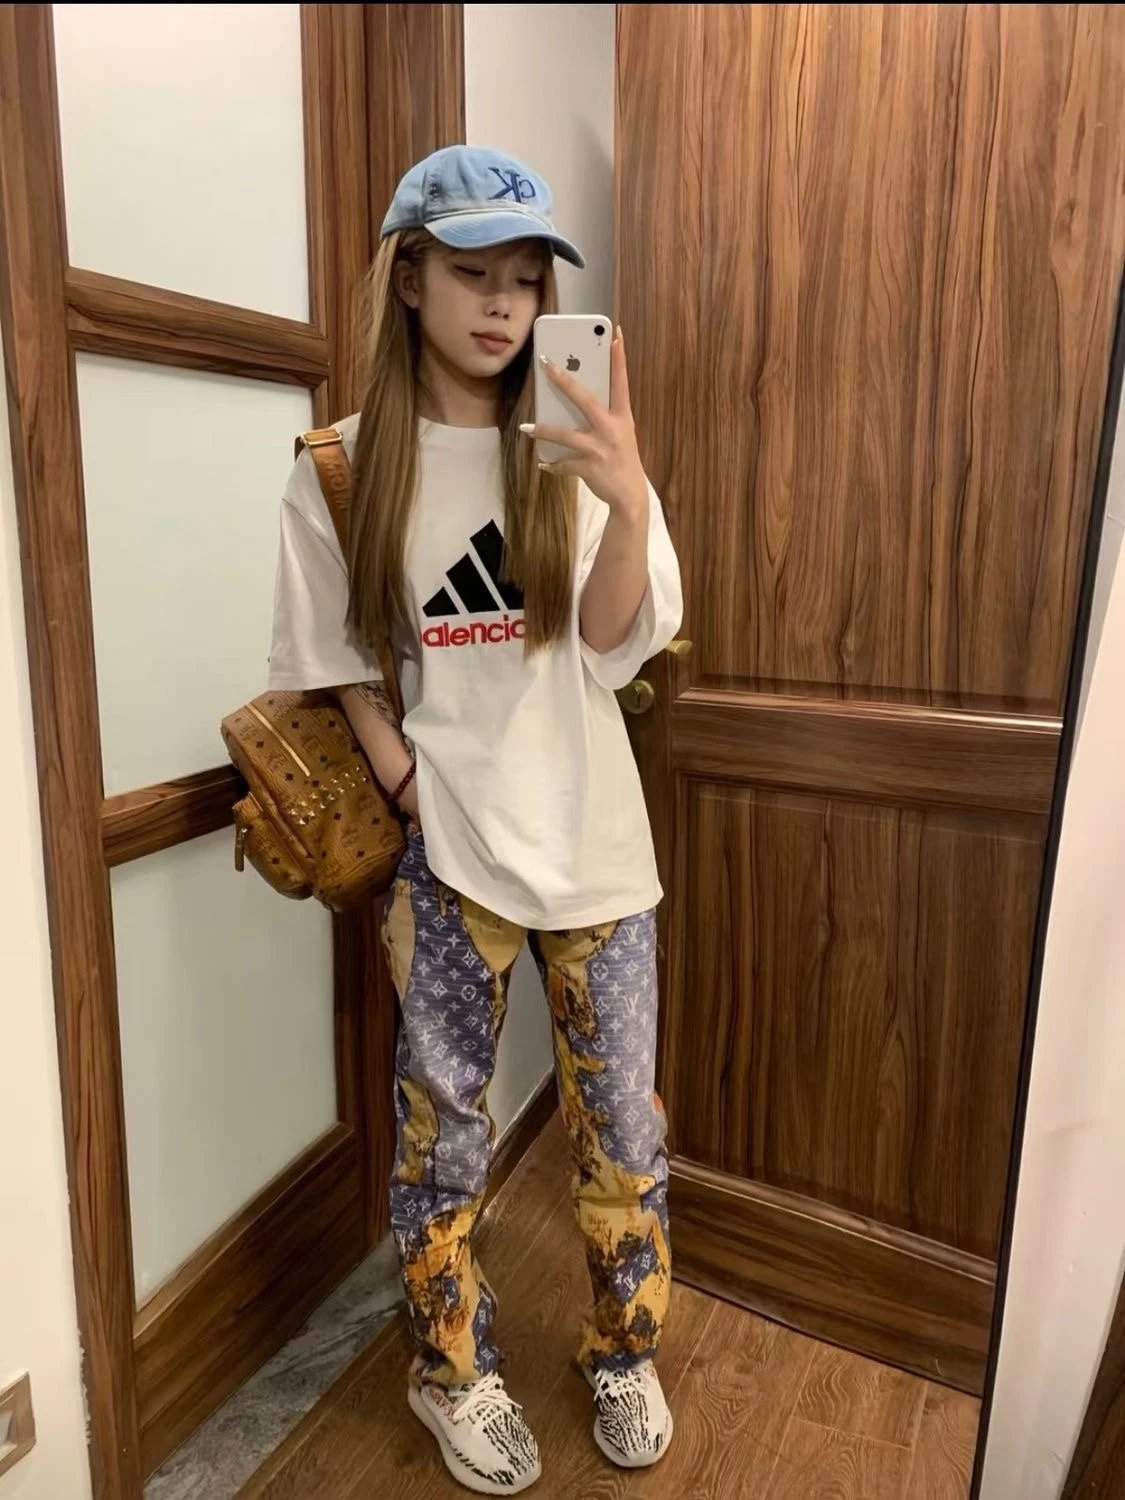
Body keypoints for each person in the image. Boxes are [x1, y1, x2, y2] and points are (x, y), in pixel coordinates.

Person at [267, 145, 682, 1496]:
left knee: (621, 1134)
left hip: (599, 850)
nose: (503, 303)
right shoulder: (341, 466)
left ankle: (622, 1351)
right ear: (409, 278)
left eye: (525, 277)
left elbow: (611, 645)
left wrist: (625, 494)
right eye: (470, 272)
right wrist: (403, 781)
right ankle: (451, 1374)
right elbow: (334, 656)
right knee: (442, 1136)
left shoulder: (570, 437)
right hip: (452, 856)